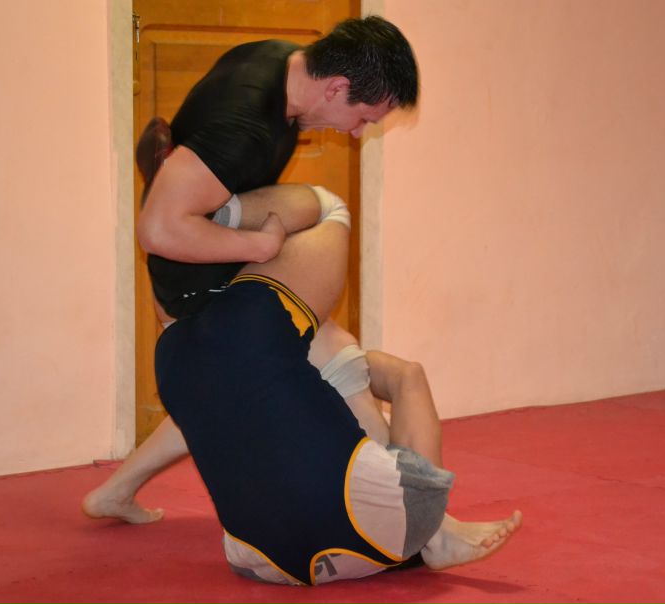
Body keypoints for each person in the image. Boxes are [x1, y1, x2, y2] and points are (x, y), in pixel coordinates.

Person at [84, 14, 420, 523]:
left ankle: (114, 492)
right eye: (364, 118)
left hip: (200, 270)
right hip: (198, 286)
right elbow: (155, 228)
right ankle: (415, 516)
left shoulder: (276, 58)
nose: (356, 133)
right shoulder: (246, 127)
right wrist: (256, 246)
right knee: (335, 354)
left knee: (227, 389)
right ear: (336, 87)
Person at [154, 195, 520, 585]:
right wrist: (244, 221)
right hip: (377, 535)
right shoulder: (265, 311)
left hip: (261, 561)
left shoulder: (167, 357)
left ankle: (424, 528)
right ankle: (437, 533)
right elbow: (320, 215)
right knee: (332, 211)